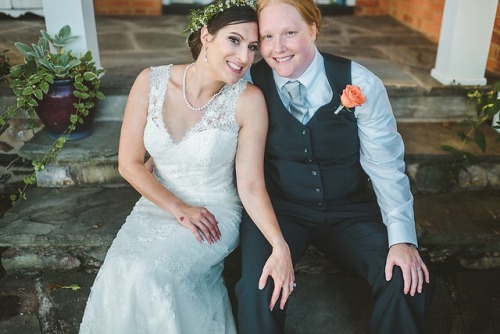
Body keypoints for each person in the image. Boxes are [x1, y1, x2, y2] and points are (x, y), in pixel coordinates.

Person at [79, 1, 295, 333]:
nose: (244, 57)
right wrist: (178, 207)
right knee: (122, 269)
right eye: (234, 40)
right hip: (158, 203)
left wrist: (279, 245)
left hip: (214, 212)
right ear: (207, 35)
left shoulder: (248, 101)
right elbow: (129, 163)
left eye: (253, 47)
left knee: (151, 273)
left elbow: (251, 185)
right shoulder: (150, 82)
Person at [235, 0, 433, 333]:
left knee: (407, 281)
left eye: (290, 33)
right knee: (259, 288)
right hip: (281, 211)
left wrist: (403, 241)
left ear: (313, 29)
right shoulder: (249, 84)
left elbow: (385, 166)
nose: (277, 48)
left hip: (349, 209)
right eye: (267, 36)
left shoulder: (360, 83)